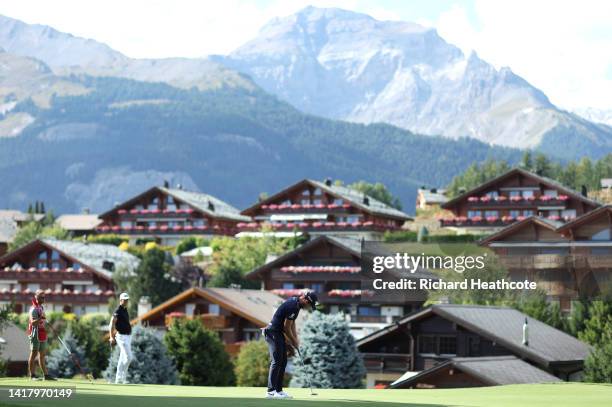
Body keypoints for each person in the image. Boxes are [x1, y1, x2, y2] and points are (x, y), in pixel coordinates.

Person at [263, 291, 317, 399]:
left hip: (278, 333)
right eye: (310, 305)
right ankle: (270, 391)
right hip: (272, 332)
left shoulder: (296, 305)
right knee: (277, 361)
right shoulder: (292, 306)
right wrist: (293, 341)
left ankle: (278, 390)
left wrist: (295, 339)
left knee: (283, 361)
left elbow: (292, 323)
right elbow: (286, 328)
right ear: (306, 301)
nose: (309, 308)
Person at [27, 289, 56, 381]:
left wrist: (45, 322)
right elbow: (33, 323)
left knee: (42, 355)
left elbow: (43, 320)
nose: (43, 299)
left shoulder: (41, 307)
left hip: (42, 332)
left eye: (44, 297)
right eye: (41, 297)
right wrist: (40, 318)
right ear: (36, 297)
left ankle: (46, 375)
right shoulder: (33, 309)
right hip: (35, 333)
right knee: (34, 353)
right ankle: (32, 375)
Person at [109, 292, 132, 384]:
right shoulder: (117, 311)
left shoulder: (125, 310)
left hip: (128, 337)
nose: (126, 301)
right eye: (125, 300)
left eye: (127, 300)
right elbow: (111, 324)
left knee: (122, 358)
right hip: (121, 337)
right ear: (120, 300)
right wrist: (111, 337)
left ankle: (119, 379)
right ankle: (121, 377)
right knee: (129, 357)